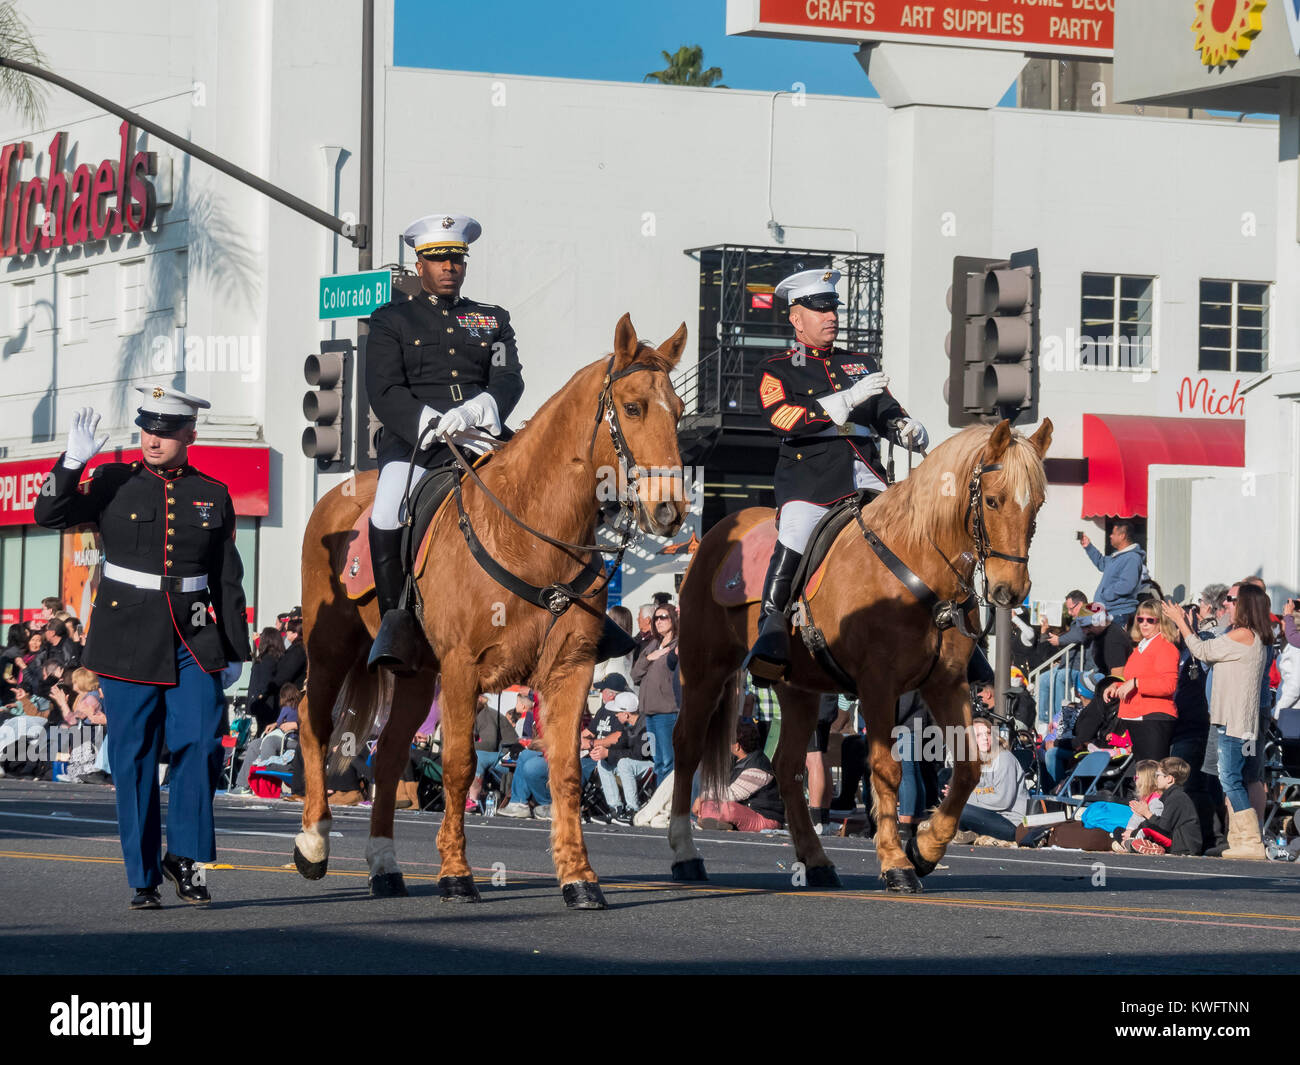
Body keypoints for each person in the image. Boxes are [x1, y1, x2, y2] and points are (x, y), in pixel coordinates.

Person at [34, 390, 250, 908]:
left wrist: (236, 648)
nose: (154, 438)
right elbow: (48, 512)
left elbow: (226, 579)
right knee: (134, 758)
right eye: (148, 428)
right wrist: (72, 461)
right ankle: (144, 877)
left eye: (167, 430)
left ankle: (188, 857)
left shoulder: (212, 493)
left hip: (192, 638)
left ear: (189, 437)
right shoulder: (114, 482)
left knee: (199, 743)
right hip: (125, 637)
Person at [744, 268, 926, 684]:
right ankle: (771, 627)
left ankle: (946, 628)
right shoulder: (777, 369)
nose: (831, 316)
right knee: (795, 531)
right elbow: (784, 419)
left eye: (833, 308)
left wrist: (905, 428)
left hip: (868, 475)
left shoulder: (860, 363)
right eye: (819, 309)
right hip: (812, 482)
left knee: (922, 532)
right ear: (796, 318)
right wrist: (844, 400)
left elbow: (885, 411)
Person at [362, 213, 524, 674]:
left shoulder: (491, 319)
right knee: (387, 510)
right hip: (417, 442)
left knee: (544, 488)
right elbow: (384, 389)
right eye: (438, 259)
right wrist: (427, 419)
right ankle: (396, 621)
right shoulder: (391, 319)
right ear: (420, 264)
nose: (449, 266)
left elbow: (509, 376)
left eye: (456, 258)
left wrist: (479, 409)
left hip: (480, 436)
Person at [1162, 585, 1270, 859]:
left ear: (1245, 604)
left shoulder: (1244, 635)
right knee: (1235, 778)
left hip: (1234, 721)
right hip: (1238, 720)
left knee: (1231, 778)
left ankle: (1250, 841)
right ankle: (1240, 839)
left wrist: (1181, 623)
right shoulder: (1252, 636)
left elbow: (1203, 650)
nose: (1228, 604)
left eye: (1233, 600)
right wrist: (1188, 625)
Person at [1105, 598, 1180, 761]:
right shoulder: (1141, 647)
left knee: (1151, 775)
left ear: (1161, 622)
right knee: (1141, 776)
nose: (1144, 624)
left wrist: (1136, 683)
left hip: (1154, 718)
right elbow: (1134, 679)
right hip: (1136, 717)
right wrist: (1117, 686)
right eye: (1140, 619)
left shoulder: (1165, 647)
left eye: (1150, 620)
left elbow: (1168, 685)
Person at [694, 718, 785, 832]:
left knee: (727, 808)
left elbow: (732, 794)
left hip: (766, 818)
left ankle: (722, 822)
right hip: (745, 811)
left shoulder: (757, 768)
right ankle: (723, 824)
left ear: (737, 746)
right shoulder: (739, 760)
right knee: (708, 804)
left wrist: (701, 797)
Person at [951, 717, 1029, 844]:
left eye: (987, 733)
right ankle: (969, 834)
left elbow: (1002, 801)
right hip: (988, 817)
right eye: (978, 735)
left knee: (961, 809)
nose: (985, 738)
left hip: (1011, 823)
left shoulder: (1004, 758)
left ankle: (969, 833)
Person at [631, 602, 681, 782]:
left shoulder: (678, 644)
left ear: (673, 620)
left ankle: (669, 803)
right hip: (649, 713)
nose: (658, 621)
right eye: (656, 618)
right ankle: (659, 801)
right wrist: (649, 657)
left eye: (663, 617)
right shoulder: (653, 644)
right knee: (658, 761)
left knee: (668, 760)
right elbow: (635, 674)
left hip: (667, 712)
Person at [1118, 757, 1201, 856]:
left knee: (1146, 829)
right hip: (1179, 842)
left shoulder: (1176, 797)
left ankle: (1131, 843)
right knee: (1125, 830)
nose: (1155, 778)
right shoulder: (1173, 795)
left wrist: (1146, 813)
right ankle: (1135, 844)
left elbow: (1163, 827)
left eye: (1157, 775)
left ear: (1169, 779)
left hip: (1184, 846)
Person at [1079, 520, 1144, 630]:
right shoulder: (1118, 557)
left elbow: (1127, 585)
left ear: (1122, 536)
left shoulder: (1132, 558)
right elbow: (1102, 563)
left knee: (1112, 645)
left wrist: (1106, 594)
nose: (1110, 536)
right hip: (1108, 612)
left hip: (1118, 615)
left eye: (1113, 533)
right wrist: (1088, 546)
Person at [245, 626, 284, 732]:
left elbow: (265, 683)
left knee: (263, 732)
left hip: (265, 705)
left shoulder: (267, 659)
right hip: (270, 704)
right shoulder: (277, 658)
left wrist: (258, 698)